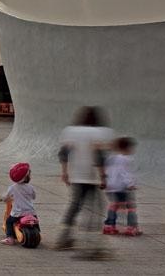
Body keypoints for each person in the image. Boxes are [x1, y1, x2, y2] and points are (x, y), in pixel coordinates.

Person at [56, 106, 114, 257]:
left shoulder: (70, 131)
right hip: (92, 177)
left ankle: (63, 238)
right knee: (96, 209)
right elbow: (98, 155)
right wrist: (103, 176)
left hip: (76, 176)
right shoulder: (98, 132)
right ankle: (91, 245)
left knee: (74, 206)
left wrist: (64, 172)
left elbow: (63, 153)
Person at [103, 136, 140, 236]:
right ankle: (131, 227)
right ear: (127, 148)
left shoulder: (111, 158)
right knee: (131, 206)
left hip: (111, 187)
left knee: (113, 205)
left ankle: (109, 226)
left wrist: (106, 182)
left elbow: (107, 171)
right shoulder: (126, 159)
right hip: (122, 187)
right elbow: (125, 173)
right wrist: (131, 184)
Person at [0, 162, 37, 245]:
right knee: (36, 221)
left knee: (8, 221)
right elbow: (34, 197)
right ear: (27, 177)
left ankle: (10, 238)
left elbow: (6, 197)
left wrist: (3, 198)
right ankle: (38, 231)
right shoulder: (31, 187)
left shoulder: (12, 188)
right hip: (31, 212)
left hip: (18, 213)